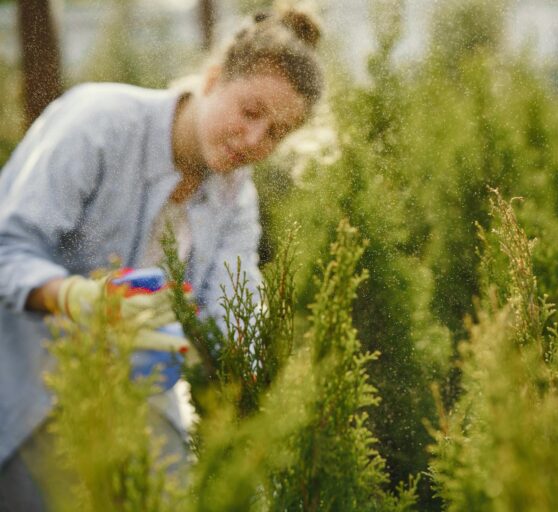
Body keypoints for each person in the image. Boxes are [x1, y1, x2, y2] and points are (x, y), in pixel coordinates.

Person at [0, 8, 323, 509]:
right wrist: (81, 299)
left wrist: (262, 373)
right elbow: (7, 247)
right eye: (250, 111)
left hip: (138, 391)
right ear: (213, 79)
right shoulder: (99, 123)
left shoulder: (236, 195)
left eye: (276, 133)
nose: (255, 140)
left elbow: (236, 303)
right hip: (25, 389)